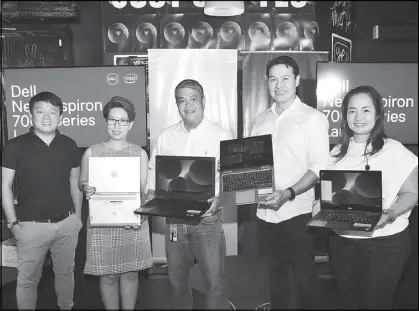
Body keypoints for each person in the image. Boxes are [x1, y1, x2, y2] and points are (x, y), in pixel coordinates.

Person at [314, 85, 418, 309]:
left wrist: (389, 214)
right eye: (352, 111)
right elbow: (331, 197)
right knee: (350, 302)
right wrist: (320, 207)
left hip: (383, 245)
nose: (358, 117)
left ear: (378, 114)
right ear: (345, 116)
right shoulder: (334, 154)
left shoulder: (394, 151)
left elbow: (411, 194)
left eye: (366, 110)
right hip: (342, 243)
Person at [144, 79, 232, 309]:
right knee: (177, 283)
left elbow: (232, 178)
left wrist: (221, 198)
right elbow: (153, 172)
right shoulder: (166, 136)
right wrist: (151, 192)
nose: (188, 105)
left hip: (207, 221)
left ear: (203, 101)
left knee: (215, 283)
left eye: (193, 99)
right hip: (174, 222)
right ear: (176, 104)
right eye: (181, 100)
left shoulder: (222, 135)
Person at [251, 55, 329, 309]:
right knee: (276, 278)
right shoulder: (261, 119)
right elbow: (251, 164)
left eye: (285, 78)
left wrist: (288, 193)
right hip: (264, 214)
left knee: (306, 278)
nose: (279, 85)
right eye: (273, 79)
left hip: (298, 214)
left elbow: (319, 168)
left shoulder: (313, 118)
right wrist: (232, 172)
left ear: (296, 80)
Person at [2, 91, 83, 310]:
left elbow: (75, 183)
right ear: (30, 115)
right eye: (40, 111)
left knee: (65, 274)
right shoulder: (15, 145)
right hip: (30, 226)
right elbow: (4, 187)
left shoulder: (69, 144)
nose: (46, 117)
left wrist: (78, 218)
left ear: (60, 117)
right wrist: (13, 224)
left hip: (66, 224)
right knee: (28, 280)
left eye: (52, 112)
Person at [79, 96, 152, 310]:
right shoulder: (91, 152)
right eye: (112, 120)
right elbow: (83, 181)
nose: (116, 126)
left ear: (130, 124)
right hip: (103, 223)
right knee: (107, 275)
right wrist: (86, 187)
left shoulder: (140, 153)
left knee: (130, 274)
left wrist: (139, 215)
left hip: (132, 220)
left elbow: (143, 191)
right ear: (106, 122)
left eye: (122, 121)